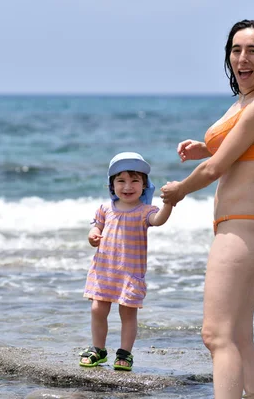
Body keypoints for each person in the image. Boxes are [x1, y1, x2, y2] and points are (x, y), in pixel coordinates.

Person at [160, 20, 254, 398]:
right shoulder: (247, 102)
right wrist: (205, 146)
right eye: (236, 50)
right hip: (243, 225)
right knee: (239, 337)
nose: (242, 58)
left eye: (253, 50)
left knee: (216, 335)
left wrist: (179, 190)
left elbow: (216, 170)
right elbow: (234, 150)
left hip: (242, 227)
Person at [80, 152, 173, 371]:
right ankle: (98, 349)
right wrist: (92, 235)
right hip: (105, 271)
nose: (127, 186)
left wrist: (169, 204)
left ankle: (124, 353)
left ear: (144, 185)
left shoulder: (145, 211)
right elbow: (97, 227)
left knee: (128, 314)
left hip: (130, 272)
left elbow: (158, 220)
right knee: (97, 309)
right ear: (112, 185)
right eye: (121, 180)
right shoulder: (105, 209)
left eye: (134, 180)